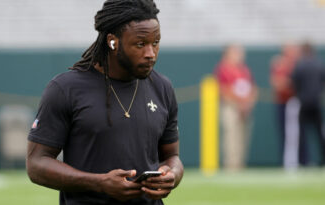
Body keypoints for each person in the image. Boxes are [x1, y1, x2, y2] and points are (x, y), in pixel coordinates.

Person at [26, 0, 184, 204]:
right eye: (140, 44)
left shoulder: (162, 87)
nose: (150, 54)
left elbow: (172, 157)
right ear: (112, 42)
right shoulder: (65, 89)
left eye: (155, 43)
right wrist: (98, 182)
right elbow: (37, 164)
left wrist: (172, 175)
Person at [214, 44, 258, 171]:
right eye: (235, 52)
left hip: (245, 108)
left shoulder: (244, 69)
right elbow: (223, 90)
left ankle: (240, 164)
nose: (239, 55)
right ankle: (231, 166)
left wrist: (248, 104)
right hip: (231, 107)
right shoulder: (223, 68)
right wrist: (238, 104)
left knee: (244, 137)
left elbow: (252, 88)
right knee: (231, 137)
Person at [291, 42, 325, 166]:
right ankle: (323, 160)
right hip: (316, 103)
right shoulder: (319, 64)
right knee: (319, 133)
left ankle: (303, 160)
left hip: (304, 103)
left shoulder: (299, 66)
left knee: (302, 134)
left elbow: (294, 83)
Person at [269, 43, 302, 168]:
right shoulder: (279, 64)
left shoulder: (297, 64)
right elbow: (277, 83)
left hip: (296, 102)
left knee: (298, 134)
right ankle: (288, 162)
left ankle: (301, 161)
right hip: (283, 102)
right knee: (285, 133)